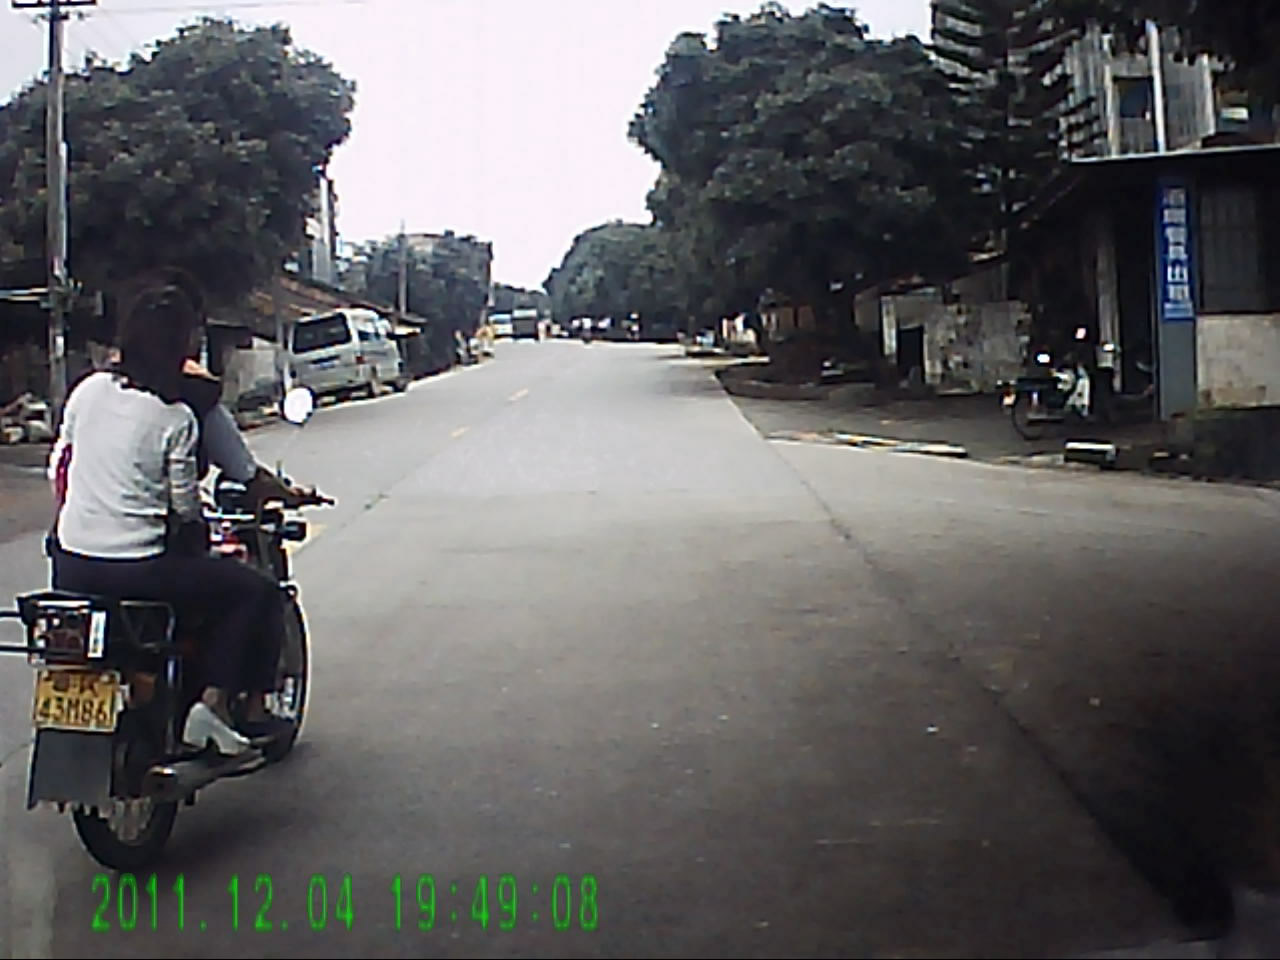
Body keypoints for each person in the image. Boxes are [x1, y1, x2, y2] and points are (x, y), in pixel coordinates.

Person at [48, 281, 289, 756]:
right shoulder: (175, 417)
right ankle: (214, 706)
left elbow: (61, 463)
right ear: (183, 347)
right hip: (138, 570)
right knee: (256, 591)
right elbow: (185, 508)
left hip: (71, 565)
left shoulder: (87, 390)